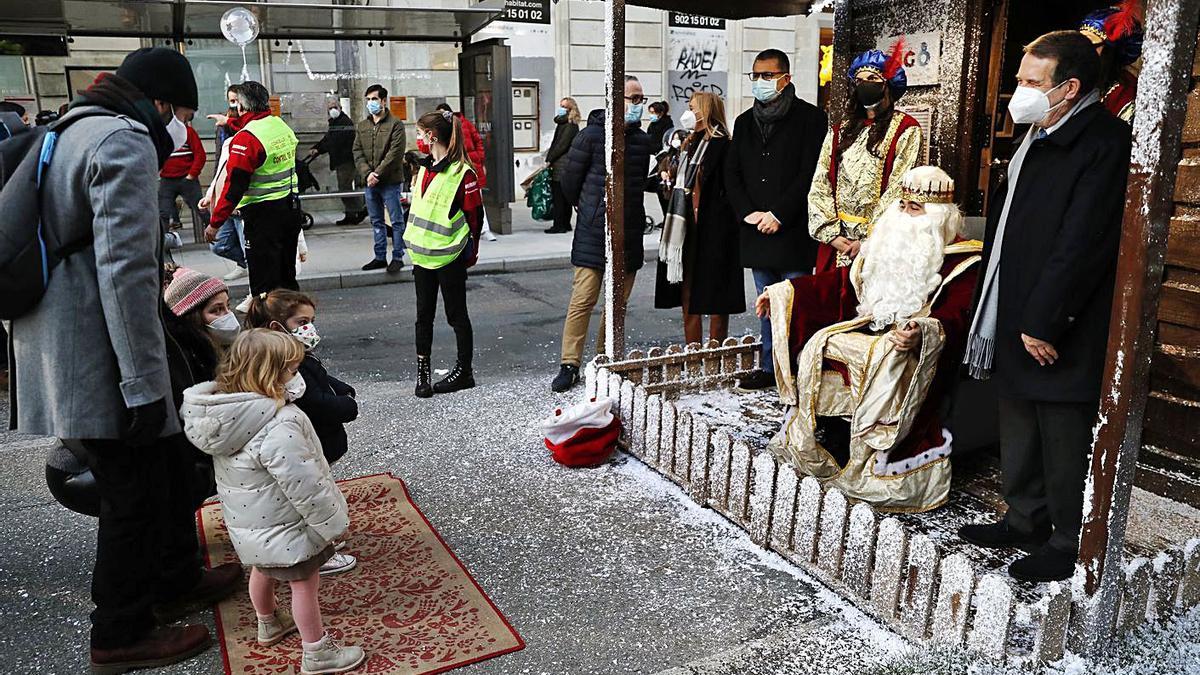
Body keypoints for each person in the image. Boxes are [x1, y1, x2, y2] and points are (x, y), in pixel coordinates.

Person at [8, 47, 241, 672]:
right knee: (131, 492)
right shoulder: (124, 141)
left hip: (62, 337)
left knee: (163, 470)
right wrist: (143, 385)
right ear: (160, 101)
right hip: (97, 349)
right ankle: (119, 631)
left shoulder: (72, 126)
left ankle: (174, 580)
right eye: (183, 112)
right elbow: (126, 274)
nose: (183, 128)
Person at [957, 31, 1132, 583]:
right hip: (1015, 301)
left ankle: (1065, 535)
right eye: (1018, 81)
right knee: (1018, 417)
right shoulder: (1036, 135)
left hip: (1058, 318)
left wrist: (1044, 320)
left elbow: (1082, 243)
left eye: (1032, 83)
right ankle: (1022, 514)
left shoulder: (1102, 143)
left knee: (1060, 429)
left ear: (1070, 87)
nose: (1019, 93)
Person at [759, 166, 982, 512]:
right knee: (821, 343)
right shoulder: (886, 245)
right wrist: (783, 293)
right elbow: (839, 284)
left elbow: (958, 316)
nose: (905, 214)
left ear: (939, 216)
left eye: (915, 208)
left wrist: (921, 332)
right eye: (903, 205)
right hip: (871, 325)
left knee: (885, 359)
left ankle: (875, 465)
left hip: (914, 348)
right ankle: (829, 441)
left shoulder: (964, 261)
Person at [180, 329, 367, 674]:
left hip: (251, 524)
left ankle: (268, 622)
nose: (296, 376)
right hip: (288, 525)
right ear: (273, 373)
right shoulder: (279, 423)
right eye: (291, 370)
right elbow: (303, 482)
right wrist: (331, 521)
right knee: (304, 584)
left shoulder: (227, 417)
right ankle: (317, 651)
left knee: (262, 571)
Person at [725, 48, 829, 392]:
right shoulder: (743, 122)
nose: (760, 82)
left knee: (796, 306)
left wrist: (779, 214)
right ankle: (770, 368)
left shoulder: (812, 119)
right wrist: (748, 212)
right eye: (755, 75)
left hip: (793, 230)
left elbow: (810, 174)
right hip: (757, 231)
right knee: (767, 306)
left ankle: (798, 370)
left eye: (767, 76)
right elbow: (733, 173)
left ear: (785, 78)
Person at [549, 76, 654, 393]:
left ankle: (604, 359)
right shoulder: (590, 136)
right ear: (614, 99)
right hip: (594, 230)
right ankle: (570, 364)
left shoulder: (641, 141)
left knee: (617, 304)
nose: (637, 104)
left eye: (640, 98)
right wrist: (590, 208)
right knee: (583, 300)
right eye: (631, 98)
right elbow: (569, 183)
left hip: (629, 231)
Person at [809, 43, 923, 276]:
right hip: (836, 241)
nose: (864, 85)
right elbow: (821, 180)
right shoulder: (841, 129)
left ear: (887, 85)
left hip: (878, 245)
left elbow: (898, 188)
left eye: (872, 78)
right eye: (859, 80)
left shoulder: (906, 129)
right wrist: (831, 234)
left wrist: (869, 239)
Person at [405, 110, 486, 398]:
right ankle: (422, 373)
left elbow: (474, 217)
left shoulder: (463, 172)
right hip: (422, 256)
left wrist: (471, 253)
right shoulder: (426, 168)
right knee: (422, 316)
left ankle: (465, 372)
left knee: (457, 316)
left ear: (431, 136)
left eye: (419, 132)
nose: (417, 138)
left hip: (449, 256)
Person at [654, 92, 744, 344]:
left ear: (706, 111)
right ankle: (692, 349)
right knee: (687, 290)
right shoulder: (688, 142)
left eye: (693, 108)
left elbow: (729, 187)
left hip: (715, 229)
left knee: (717, 291)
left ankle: (716, 349)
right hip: (686, 228)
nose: (688, 113)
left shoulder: (723, 144)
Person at [244, 290, 359, 467]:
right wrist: (348, 405)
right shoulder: (288, 364)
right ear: (276, 328)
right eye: (302, 322)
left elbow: (320, 378)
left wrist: (343, 388)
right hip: (313, 442)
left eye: (312, 321)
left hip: (317, 439)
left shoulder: (298, 353)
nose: (309, 328)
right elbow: (314, 402)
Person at [208, 81, 303, 297]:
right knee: (286, 276)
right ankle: (295, 321)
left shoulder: (246, 139)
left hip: (263, 218)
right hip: (290, 209)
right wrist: (229, 122)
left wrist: (215, 223)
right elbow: (252, 126)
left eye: (235, 104)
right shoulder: (279, 125)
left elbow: (234, 187)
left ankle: (267, 326)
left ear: (242, 107)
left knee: (263, 284)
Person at [354, 84, 408, 273]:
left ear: (383, 101)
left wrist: (376, 174)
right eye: (368, 100)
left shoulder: (395, 124)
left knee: (396, 220)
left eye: (374, 99)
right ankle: (379, 257)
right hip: (370, 182)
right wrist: (367, 173)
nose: (371, 103)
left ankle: (398, 256)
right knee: (376, 220)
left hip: (390, 181)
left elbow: (395, 153)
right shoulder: (362, 126)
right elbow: (357, 151)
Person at [200, 94, 250, 284]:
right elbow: (220, 171)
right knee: (219, 245)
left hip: (239, 204)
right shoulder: (228, 142)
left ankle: (255, 293)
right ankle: (245, 264)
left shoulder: (247, 140)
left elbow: (237, 180)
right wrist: (210, 195)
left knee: (249, 248)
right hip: (226, 201)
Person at [436, 102, 497, 242]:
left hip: (470, 167)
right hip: (452, 170)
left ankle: (484, 230)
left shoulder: (465, 124)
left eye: (445, 113)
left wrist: (480, 162)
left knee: (477, 200)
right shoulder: (439, 130)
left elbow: (478, 142)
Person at [1078, 1, 1143, 123]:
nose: (1080, 50)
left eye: (1089, 44)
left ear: (1110, 51)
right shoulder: (1082, 83)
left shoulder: (1125, 96)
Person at [310, 99, 367, 225]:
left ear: (340, 107)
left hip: (346, 160)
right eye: (330, 108)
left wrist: (319, 150)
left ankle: (359, 210)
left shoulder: (344, 122)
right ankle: (352, 213)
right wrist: (317, 147)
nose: (332, 110)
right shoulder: (335, 123)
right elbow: (328, 138)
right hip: (341, 160)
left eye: (334, 107)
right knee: (345, 188)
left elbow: (334, 142)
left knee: (345, 188)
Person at [158, 113, 208, 231]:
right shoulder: (161, 135)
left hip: (186, 178)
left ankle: (215, 232)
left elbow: (200, 155)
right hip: (167, 179)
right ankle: (163, 244)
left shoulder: (188, 132)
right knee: (163, 212)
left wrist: (191, 175)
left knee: (200, 208)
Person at [544, 96, 581, 234]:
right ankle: (565, 223)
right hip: (562, 163)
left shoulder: (569, 124)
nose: (561, 109)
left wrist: (550, 159)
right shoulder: (564, 122)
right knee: (563, 196)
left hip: (562, 164)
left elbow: (561, 145)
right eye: (561, 105)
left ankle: (559, 225)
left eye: (564, 106)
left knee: (559, 197)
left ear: (570, 109)